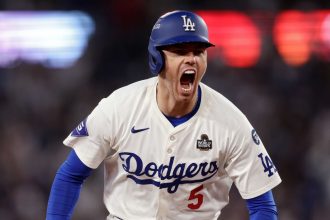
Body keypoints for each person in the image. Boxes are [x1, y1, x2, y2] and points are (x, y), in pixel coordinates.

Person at [46, 10, 281, 220]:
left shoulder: (231, 123)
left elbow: (262, 205)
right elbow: (70, 175)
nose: (191, 58)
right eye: (180, 51)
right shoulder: (119, 107)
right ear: (157, 58)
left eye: (199, 51)